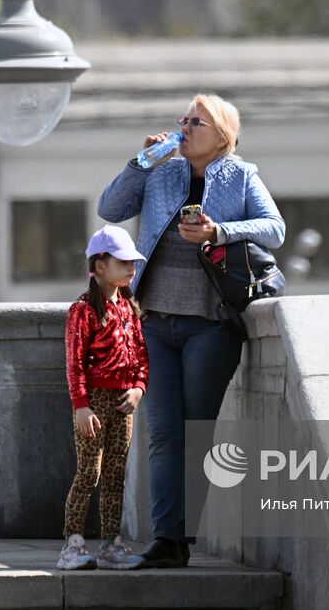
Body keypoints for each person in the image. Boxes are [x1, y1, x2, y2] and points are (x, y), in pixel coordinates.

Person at [97, 93, 285, 568]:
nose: (184, 127)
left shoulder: (241, 176)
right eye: (183, 119)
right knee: (162, 432)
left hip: (211, 324)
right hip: (154, 321)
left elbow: (274, 230)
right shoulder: (161, 172)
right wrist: (141, 161)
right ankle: (167, 540)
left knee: (195, 431)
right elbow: (110, 208)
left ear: (222, 135)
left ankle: (184, 535)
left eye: (195, 122)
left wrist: (217, 231)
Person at [58, 225, 150, 571]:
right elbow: (74, 363)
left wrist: (138, 388)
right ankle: (73, 542)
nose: (131, 268)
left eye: (132, 263)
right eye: (123, 262)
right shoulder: (82, 311)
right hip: (93, 402)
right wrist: (81, 405)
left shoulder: (128, 308)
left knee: (115, 474)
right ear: (99, 265)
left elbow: (141, 354)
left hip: (122, 401)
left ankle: (112, 544)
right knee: (88, 473)